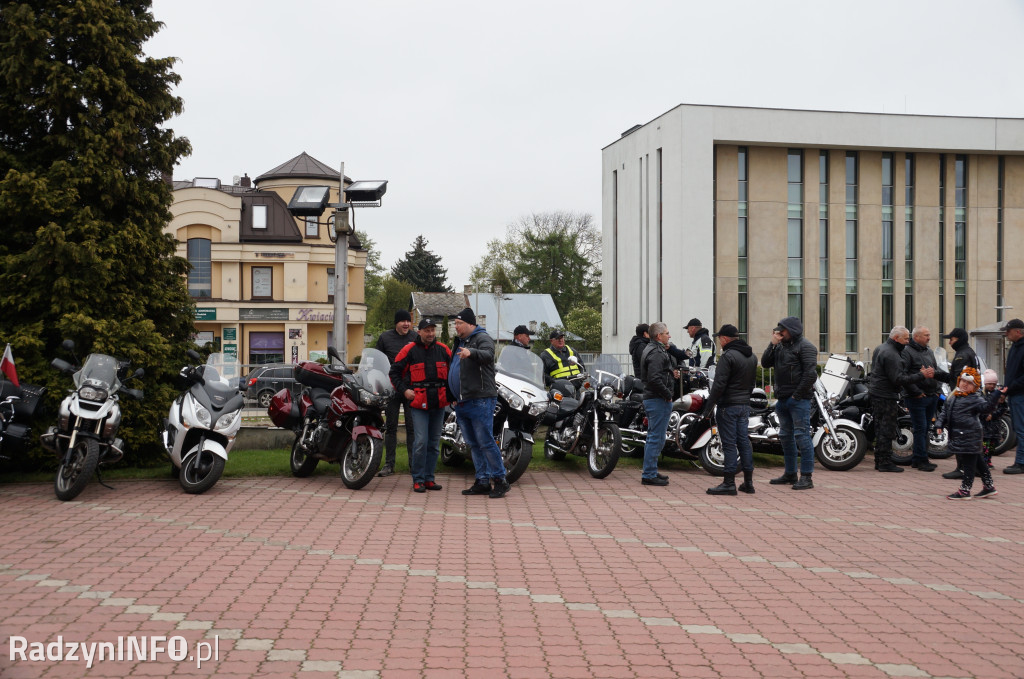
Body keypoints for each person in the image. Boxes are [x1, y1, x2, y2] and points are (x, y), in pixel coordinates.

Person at [449, 308, 509, 499]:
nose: (456, 327)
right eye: (455, 324)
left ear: (470, 323)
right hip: (462, 401)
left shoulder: (482, 338)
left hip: (480, 399)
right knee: (473, 443)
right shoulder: (460, 341)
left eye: (459, 323)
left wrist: (471, 352)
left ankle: (500, 480)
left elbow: (488, 355)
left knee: (485, 441)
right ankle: (482, 481)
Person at [390, 318, 452, 493]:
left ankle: (429, 478)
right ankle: (418, 479)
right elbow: (394, 372)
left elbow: (454, 373)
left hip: (439, 403)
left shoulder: (444, 350)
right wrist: (404, 391)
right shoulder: (409, 350)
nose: (430, 333)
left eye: (433, 330)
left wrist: (453, 395)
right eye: (427, 330)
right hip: (419, 403)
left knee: (433, 443)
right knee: (421, 442)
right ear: (419, 332)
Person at [760, 316, 818, 490]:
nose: (779, 333)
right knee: (785, 436)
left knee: (802, 436)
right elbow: (764, 363)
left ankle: (807, 477)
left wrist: (796, 396)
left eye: (782, 330)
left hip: (798, 400)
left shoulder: (806, 347)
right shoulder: (780, 346)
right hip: (783, 399)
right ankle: (790, 473)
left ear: (792, 330)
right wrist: (772, 344)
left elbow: (810, 375)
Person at [868, 326, 934, 473]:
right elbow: (898, 378)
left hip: (879, 393)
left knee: (880, 427)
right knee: (887, 428)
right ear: (896, 338)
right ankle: (884, 462)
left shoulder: (882, 348)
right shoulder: (891, 354)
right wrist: (921, 375)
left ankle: (880, 460)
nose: (908, 341)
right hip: (885, 395)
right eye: (905, 339)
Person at [704, 324, 757, 496]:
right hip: (743, 405)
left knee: (728, 444)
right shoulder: (752, 356)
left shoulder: (728, 356)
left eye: (719, 338)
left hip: (728, 406)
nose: (719, 342)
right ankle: (748, 483)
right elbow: (752, 384)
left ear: (725, 338)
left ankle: (729, 483)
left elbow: (719, 385)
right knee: (743, 442)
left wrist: (708, 407)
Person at [936, 367, 1003, 500]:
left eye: (969, 383)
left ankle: (965, 489)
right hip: (959, 434)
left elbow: (986, 408)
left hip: (971, 434)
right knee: (978, 460)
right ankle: (989, 486)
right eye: (963, 381)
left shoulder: (975, 398)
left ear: (975, 386)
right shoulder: (954, 396)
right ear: (959, 381)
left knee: (968, 463)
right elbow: (945, 411)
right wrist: (939, 424)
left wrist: (995, 397)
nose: (965, 384)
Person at [375, 310, 417, 476]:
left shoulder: (415, 338)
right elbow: (378, 362)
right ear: (396, 323)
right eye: (402, 321)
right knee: (391, 427)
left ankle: (414, 465)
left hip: (411, 390)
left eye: (408, 321)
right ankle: (389, 464)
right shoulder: (385, 338)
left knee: (412, 428)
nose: (406, 324)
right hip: (391, 389)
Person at [901, 326, 949, 472]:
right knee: (920, 428)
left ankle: (919, 458)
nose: (929, 337)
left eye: (929, 335)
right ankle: (921, 460)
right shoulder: (906, 352)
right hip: (917, 397)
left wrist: (937, 390)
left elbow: (935, 371)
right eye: (926, 335)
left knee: (926, 428)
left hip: (931, 396)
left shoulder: (928, 351)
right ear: (916, 337)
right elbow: (904, 376)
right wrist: (916, 392)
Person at [639, 322, 677, 486]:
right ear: (658, 336)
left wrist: (670, 373)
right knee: (656, 437)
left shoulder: (655, 349)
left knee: (655, 437)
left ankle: (651, 470)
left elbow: (657, 374)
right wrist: (667, 394)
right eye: (667, 333)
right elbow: (654, 378)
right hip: (657, 399)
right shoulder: (656, 352)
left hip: (655, 398)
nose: (669, 336)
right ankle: (649, 474)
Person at [941, 328, 980, 480]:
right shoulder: (969, 352)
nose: (950, 342)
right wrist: (936, 374)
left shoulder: (962, 355)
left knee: (960, 433)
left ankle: (962, 468)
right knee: (970, 433)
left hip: (963, 398)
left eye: (952, 339)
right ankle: (974, 467)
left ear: (959, 339)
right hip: (970, 397)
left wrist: (956, 398)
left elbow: (958, 379)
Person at [1000, 318, 1024, 474]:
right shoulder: (1015, 347)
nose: (1006, 334)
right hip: (1015, 393)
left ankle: (1021, 462)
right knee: (1019, 427)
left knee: (1021, 429)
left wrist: (1009, 387)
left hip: (1020, 394)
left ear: (1018, 331)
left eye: (1008, 331)